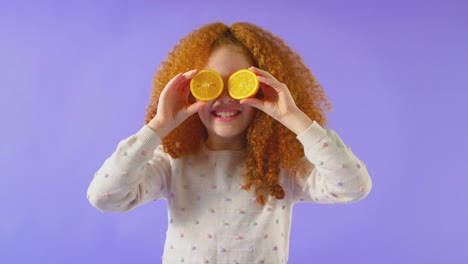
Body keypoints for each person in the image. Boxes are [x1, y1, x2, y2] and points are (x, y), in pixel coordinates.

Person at [87, 21, 373, 264]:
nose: (225, 97)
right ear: (191, 90)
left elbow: (352, 187)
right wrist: (159, 126)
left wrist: (294, 117)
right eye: (211, 83)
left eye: (239, 84)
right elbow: (105, 197)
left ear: (262, 90)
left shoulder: (282, 166)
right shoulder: (172, 160)